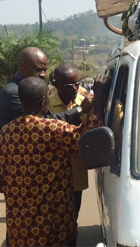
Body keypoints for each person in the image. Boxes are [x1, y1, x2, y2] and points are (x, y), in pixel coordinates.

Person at [0, 76, 105, 247]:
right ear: (44, 100)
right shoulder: (53, 129)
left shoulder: (7, 131)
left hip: (19, 226)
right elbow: (87, 139)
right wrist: (99, 101)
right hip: (52, 225)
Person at [0, 47, 91, 130]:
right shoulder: (15, 92)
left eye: (45, 70)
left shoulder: (18, 88)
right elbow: (41, 124)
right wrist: (80, 110)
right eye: (39, 70)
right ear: (23, 66)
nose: (43, 74)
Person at [49, 63, 92, 219]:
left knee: (73, 218)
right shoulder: (47, 105)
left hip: (76, 175)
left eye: (77, 84)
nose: (75, 88)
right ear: (56, 84)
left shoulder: (85, 102)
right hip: (54, 177)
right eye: (69, 86)